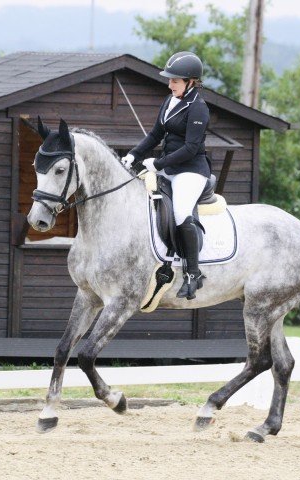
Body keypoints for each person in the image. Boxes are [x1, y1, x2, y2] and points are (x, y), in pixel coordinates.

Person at [121, 51, 211, 300]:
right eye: (170, 80)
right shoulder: (169, 100)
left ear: (190, 82)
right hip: (168, 168)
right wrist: (133, 155)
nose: (169, 84)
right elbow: (155, 135)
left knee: (181, 212)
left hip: (191, 171)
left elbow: (191, 148)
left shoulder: (199, 109)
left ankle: (193, 273)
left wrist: (158, 163)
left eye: (175, 80)